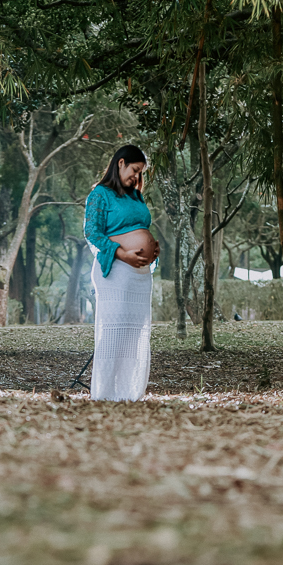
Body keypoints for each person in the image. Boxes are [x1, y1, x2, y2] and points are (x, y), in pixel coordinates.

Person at [84, 144, 160, 401]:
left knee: (134, 335)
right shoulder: (100, 194)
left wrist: (152, 249)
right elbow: (92, 233)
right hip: (115, 271)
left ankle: (129, 392)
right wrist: (122, 253)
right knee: (114, 333)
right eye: (134, 170)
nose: (137, 177)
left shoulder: (136, 197)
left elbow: (139, 228)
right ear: (121, 163)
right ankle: (105, 393)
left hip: (139, 275)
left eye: (140, 173)